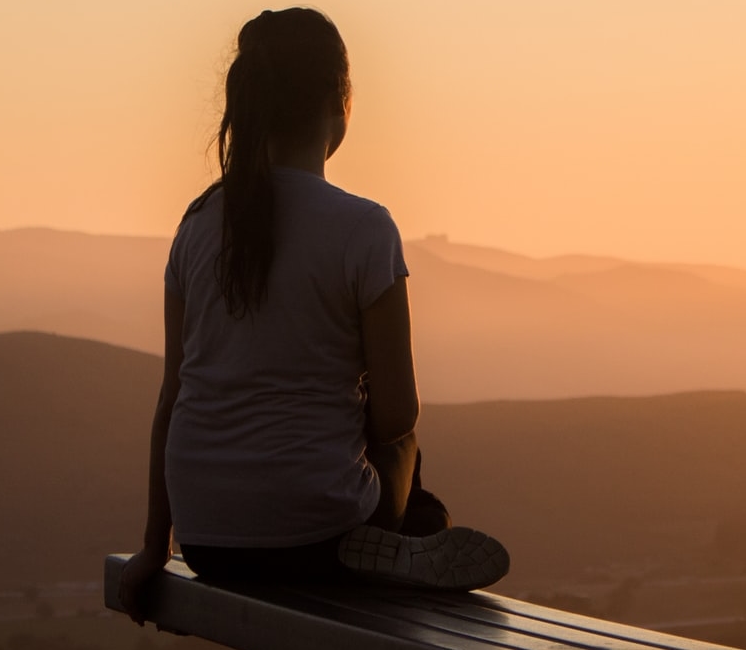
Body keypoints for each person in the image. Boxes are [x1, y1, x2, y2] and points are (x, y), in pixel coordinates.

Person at [115, 7, 509, 622]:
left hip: (207, 540)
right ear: (340, 103)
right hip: (317, 534)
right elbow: (397, 414)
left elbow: (172, 399)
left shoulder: (195, 225)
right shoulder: (364, 228)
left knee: (385, 478)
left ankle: (392, 539)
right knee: (412, 463)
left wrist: (151, 547)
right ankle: (401, 540)